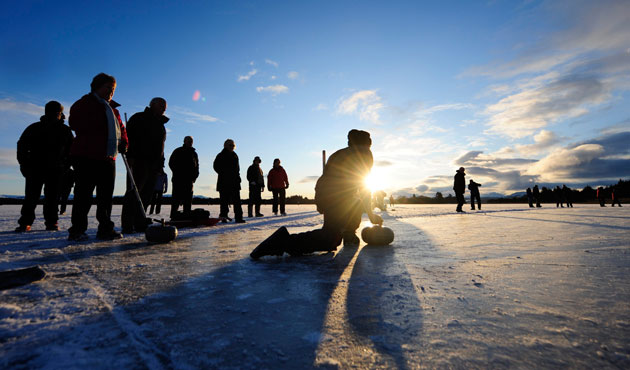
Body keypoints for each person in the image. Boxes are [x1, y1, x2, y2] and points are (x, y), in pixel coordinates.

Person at [250, 129, 383, 259]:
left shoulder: (339, 153)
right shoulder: (364, 153)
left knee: (355, 203)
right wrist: (371, 215)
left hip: (328, 193)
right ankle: (284, 241)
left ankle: (348, 232)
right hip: (336, 196)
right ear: (367, 143)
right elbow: (364, 186)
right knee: (329, 239)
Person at [67, 73, 128, 241]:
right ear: (96, 87)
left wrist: (124, 143)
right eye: (108, 87)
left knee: (106, 197)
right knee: (83, 195)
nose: (111, 92)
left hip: (108, 157)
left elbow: (121, 130)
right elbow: (75, 123)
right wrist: (101, 130)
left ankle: (105, 228)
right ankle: (77, 230)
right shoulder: (84, 104)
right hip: (86, 156)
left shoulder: (113, 110)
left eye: (113, 89)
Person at [15, 101, 74, 232]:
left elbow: (72, 151)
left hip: (56, 170)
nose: (56, 115)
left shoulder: (65, 131)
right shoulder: (34, 128)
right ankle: (26, 222)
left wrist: (66, 166)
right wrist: (24, 164)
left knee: (51, 198)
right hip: (35, 169)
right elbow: (22, 147)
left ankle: (50, 222)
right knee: (32, 197)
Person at [121, 98, 169, 233]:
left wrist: (161, 164)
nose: (164, 108)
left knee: (146, 195)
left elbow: (161, 147)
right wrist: (130, 156)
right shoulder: (139, 118)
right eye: (161, 105)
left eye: (165, 106)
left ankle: (139, 221)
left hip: (154, 165)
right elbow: (129, 138)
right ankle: (128, 224)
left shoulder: (161, 124)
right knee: (133, 193)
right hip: (139, 161)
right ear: (152, 105)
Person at [213, 139, 245, 223]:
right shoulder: (220, 155)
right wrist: (224, 173)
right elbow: (216, 166)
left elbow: (237, 169)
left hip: (234, 182)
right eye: (230, 145)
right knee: (224, 201)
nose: (232, 147)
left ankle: (239, 217)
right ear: (225, 146)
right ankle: (223, 217)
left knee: (237, 201)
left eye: (233, 145)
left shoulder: (235, 155)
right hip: (224, 182)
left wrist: (238, 178)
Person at [169, 136, 199, 218]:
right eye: (188, 141)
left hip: (189, 180)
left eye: (191, 141)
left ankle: (187, 214)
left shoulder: (194, 153)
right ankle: (174, 215)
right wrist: (178, 172)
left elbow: (197, 166)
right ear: (184, 141)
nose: (190, 142)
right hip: (178, 179)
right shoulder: (178, 151)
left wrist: (195, 176)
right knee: (176, 198)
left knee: (188, 199)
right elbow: (171, 163)